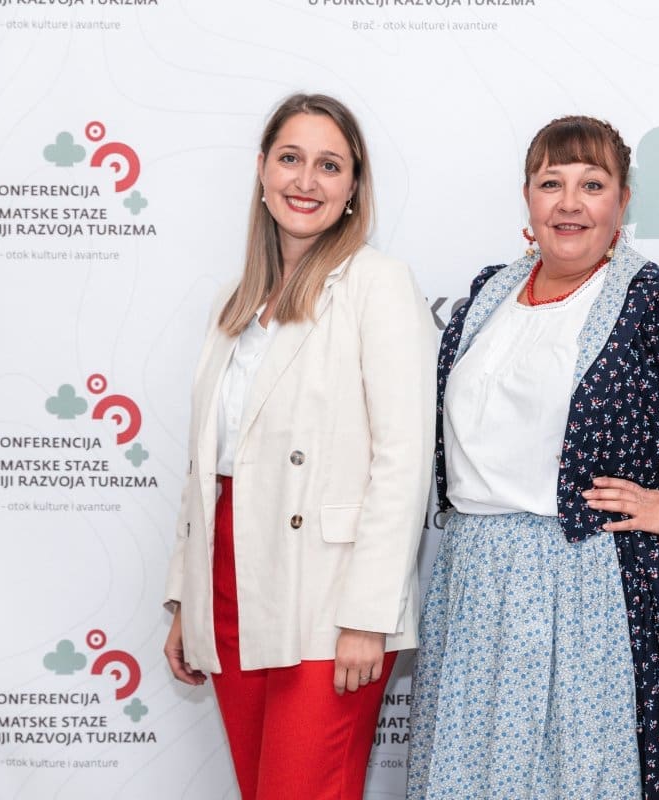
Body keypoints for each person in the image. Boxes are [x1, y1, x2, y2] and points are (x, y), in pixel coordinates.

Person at [406, 115, 659, 800]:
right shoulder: (490, 294)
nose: (569, 203)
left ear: (623, 202)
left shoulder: (653, 303)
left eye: (592, 185)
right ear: (527, 197)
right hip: (475, 584)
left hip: (588, 587)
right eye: (550, 183)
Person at [161, 93, 435, 800]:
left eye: (329, 165)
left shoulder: (377, 285)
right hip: (228, 582)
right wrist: (187, 599)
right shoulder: (234, 303)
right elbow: (205, 467)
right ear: (261, 169)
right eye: (290, 158)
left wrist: (368, 616)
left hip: (327, 595)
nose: (306, 181)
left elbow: (403, 463)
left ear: (353, 187)